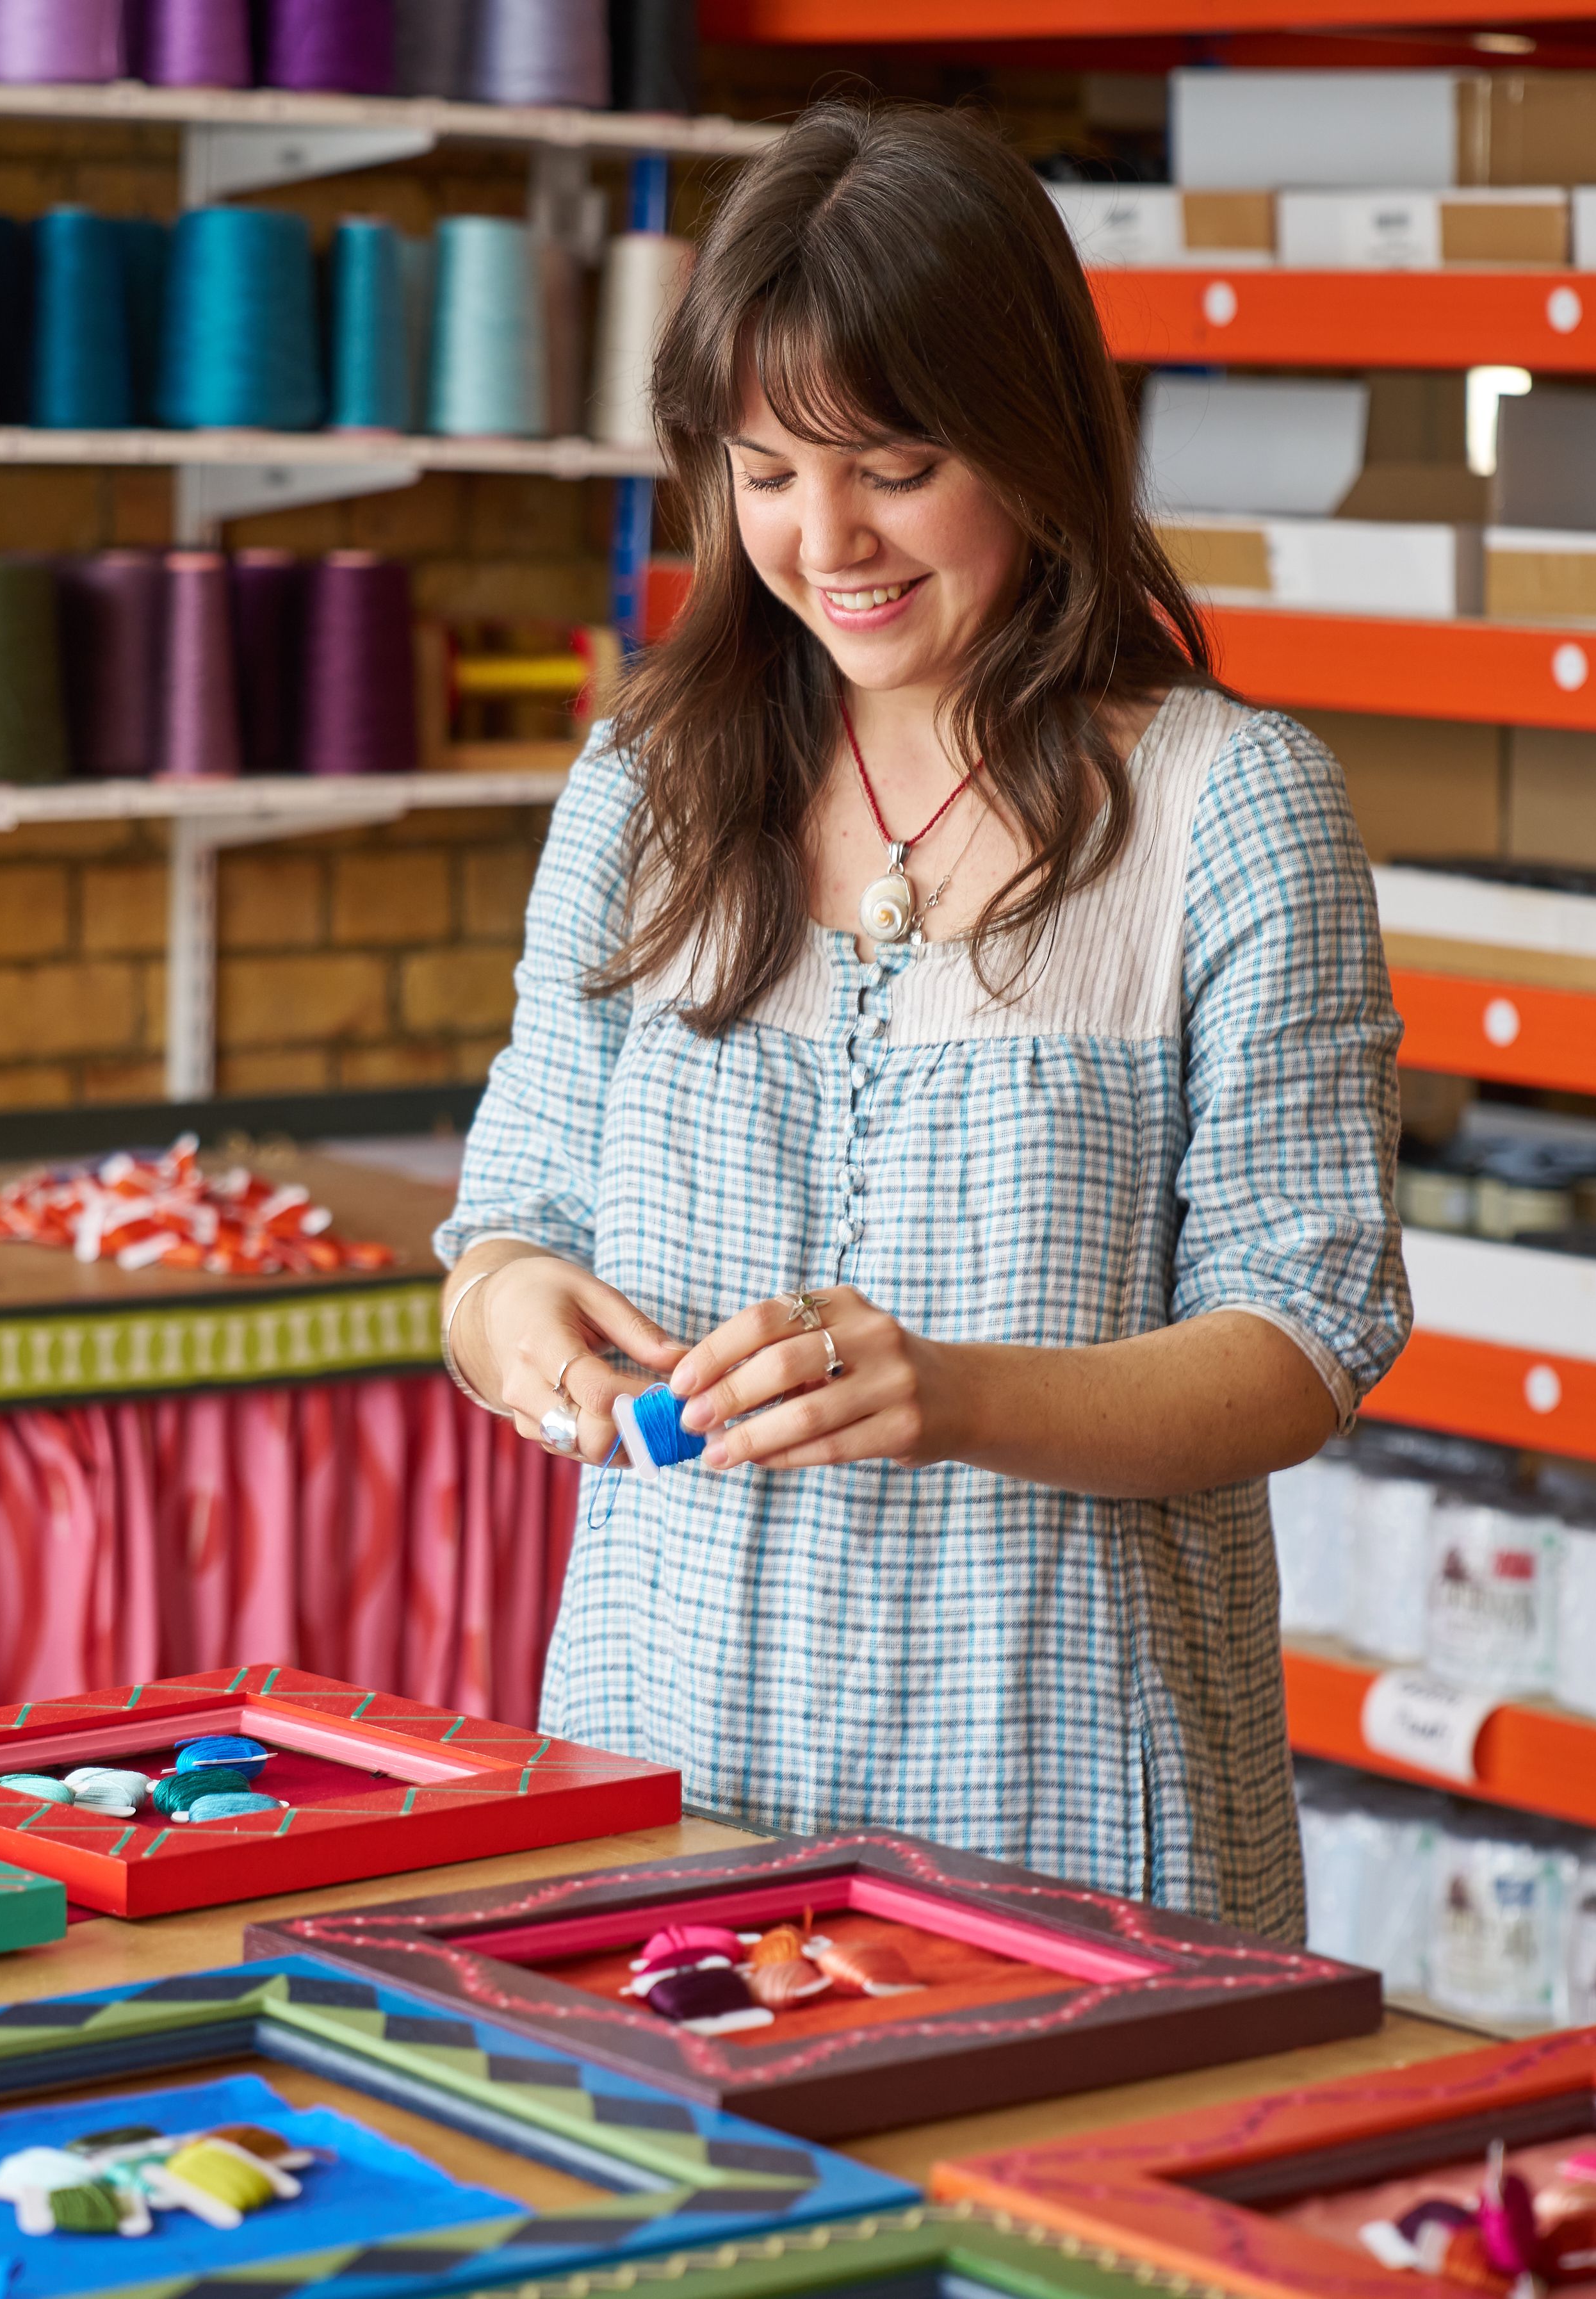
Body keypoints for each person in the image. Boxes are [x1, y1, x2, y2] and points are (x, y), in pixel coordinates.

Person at [433, 100, 1407, 1938]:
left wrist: (950, 1398)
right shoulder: (648, 789)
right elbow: (504, 1233)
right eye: (770, 471)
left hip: (1079, 1828)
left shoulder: (1229, 804)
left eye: (891, 463)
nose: (827, 540)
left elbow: (1308, 1329)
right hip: (667, 1804)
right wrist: (523, 1332)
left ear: (1037, 443)